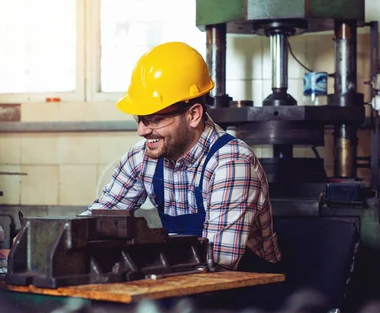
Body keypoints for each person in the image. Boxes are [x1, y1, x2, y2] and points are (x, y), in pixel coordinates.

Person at [86, 41, 283, 274]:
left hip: (246, 293)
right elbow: (100, 217)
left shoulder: (231, 163)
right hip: (185, 281)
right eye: (139, 118)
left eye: (155, 119)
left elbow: (218, 262)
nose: (142, 130)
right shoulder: (142, 157)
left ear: (193, 115)